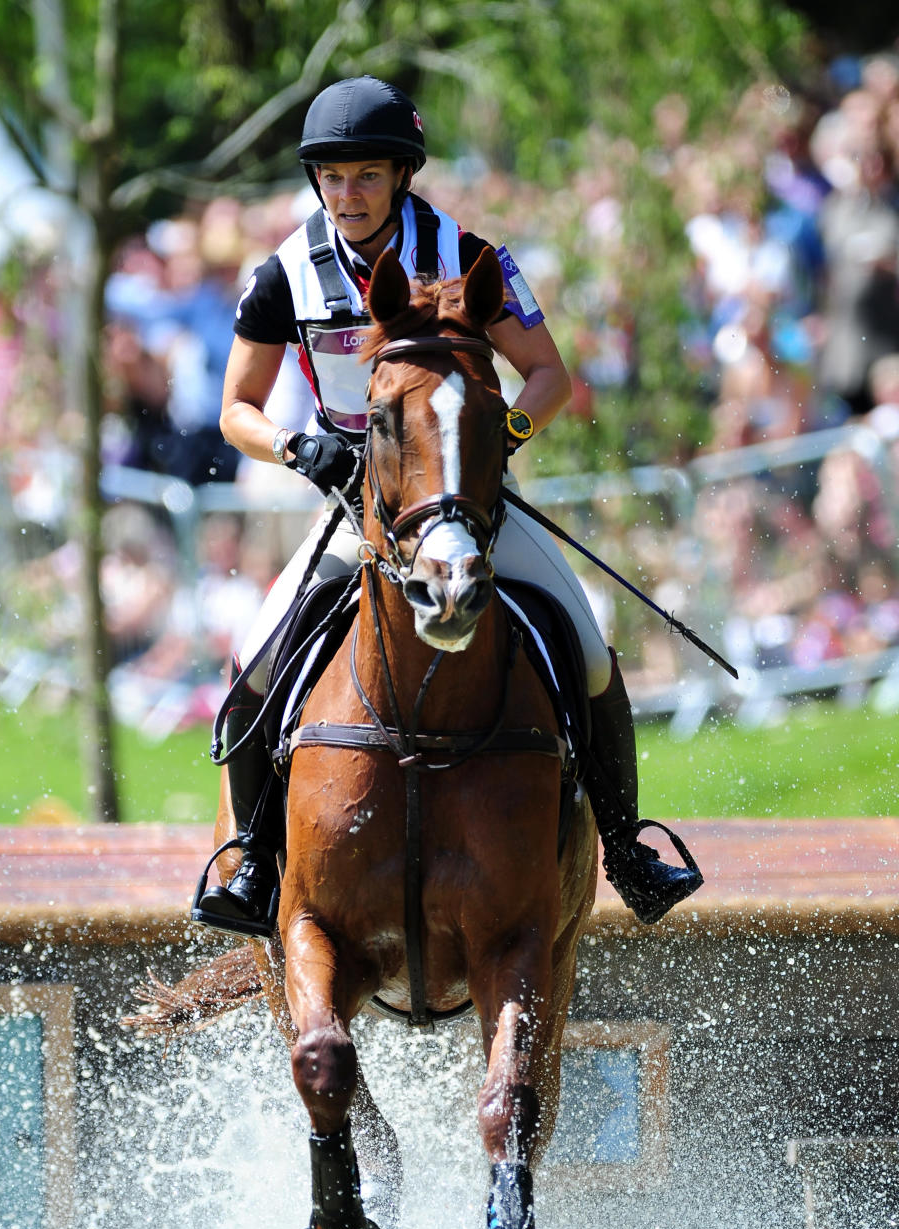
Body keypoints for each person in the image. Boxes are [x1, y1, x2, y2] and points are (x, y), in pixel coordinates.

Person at [192, 75, 702, 937]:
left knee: (587, 653)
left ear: (400, 175)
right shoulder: (284, 273)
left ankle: (623, 846)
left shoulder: (473, 257)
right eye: (333, 177)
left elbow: (548, 375)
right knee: (254, 669)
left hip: (465, 501)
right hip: (356, 509)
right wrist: (293, 446)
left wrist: (494, 436)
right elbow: (234, 409)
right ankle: (251, 859)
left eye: (366, 176)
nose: (347, 195)